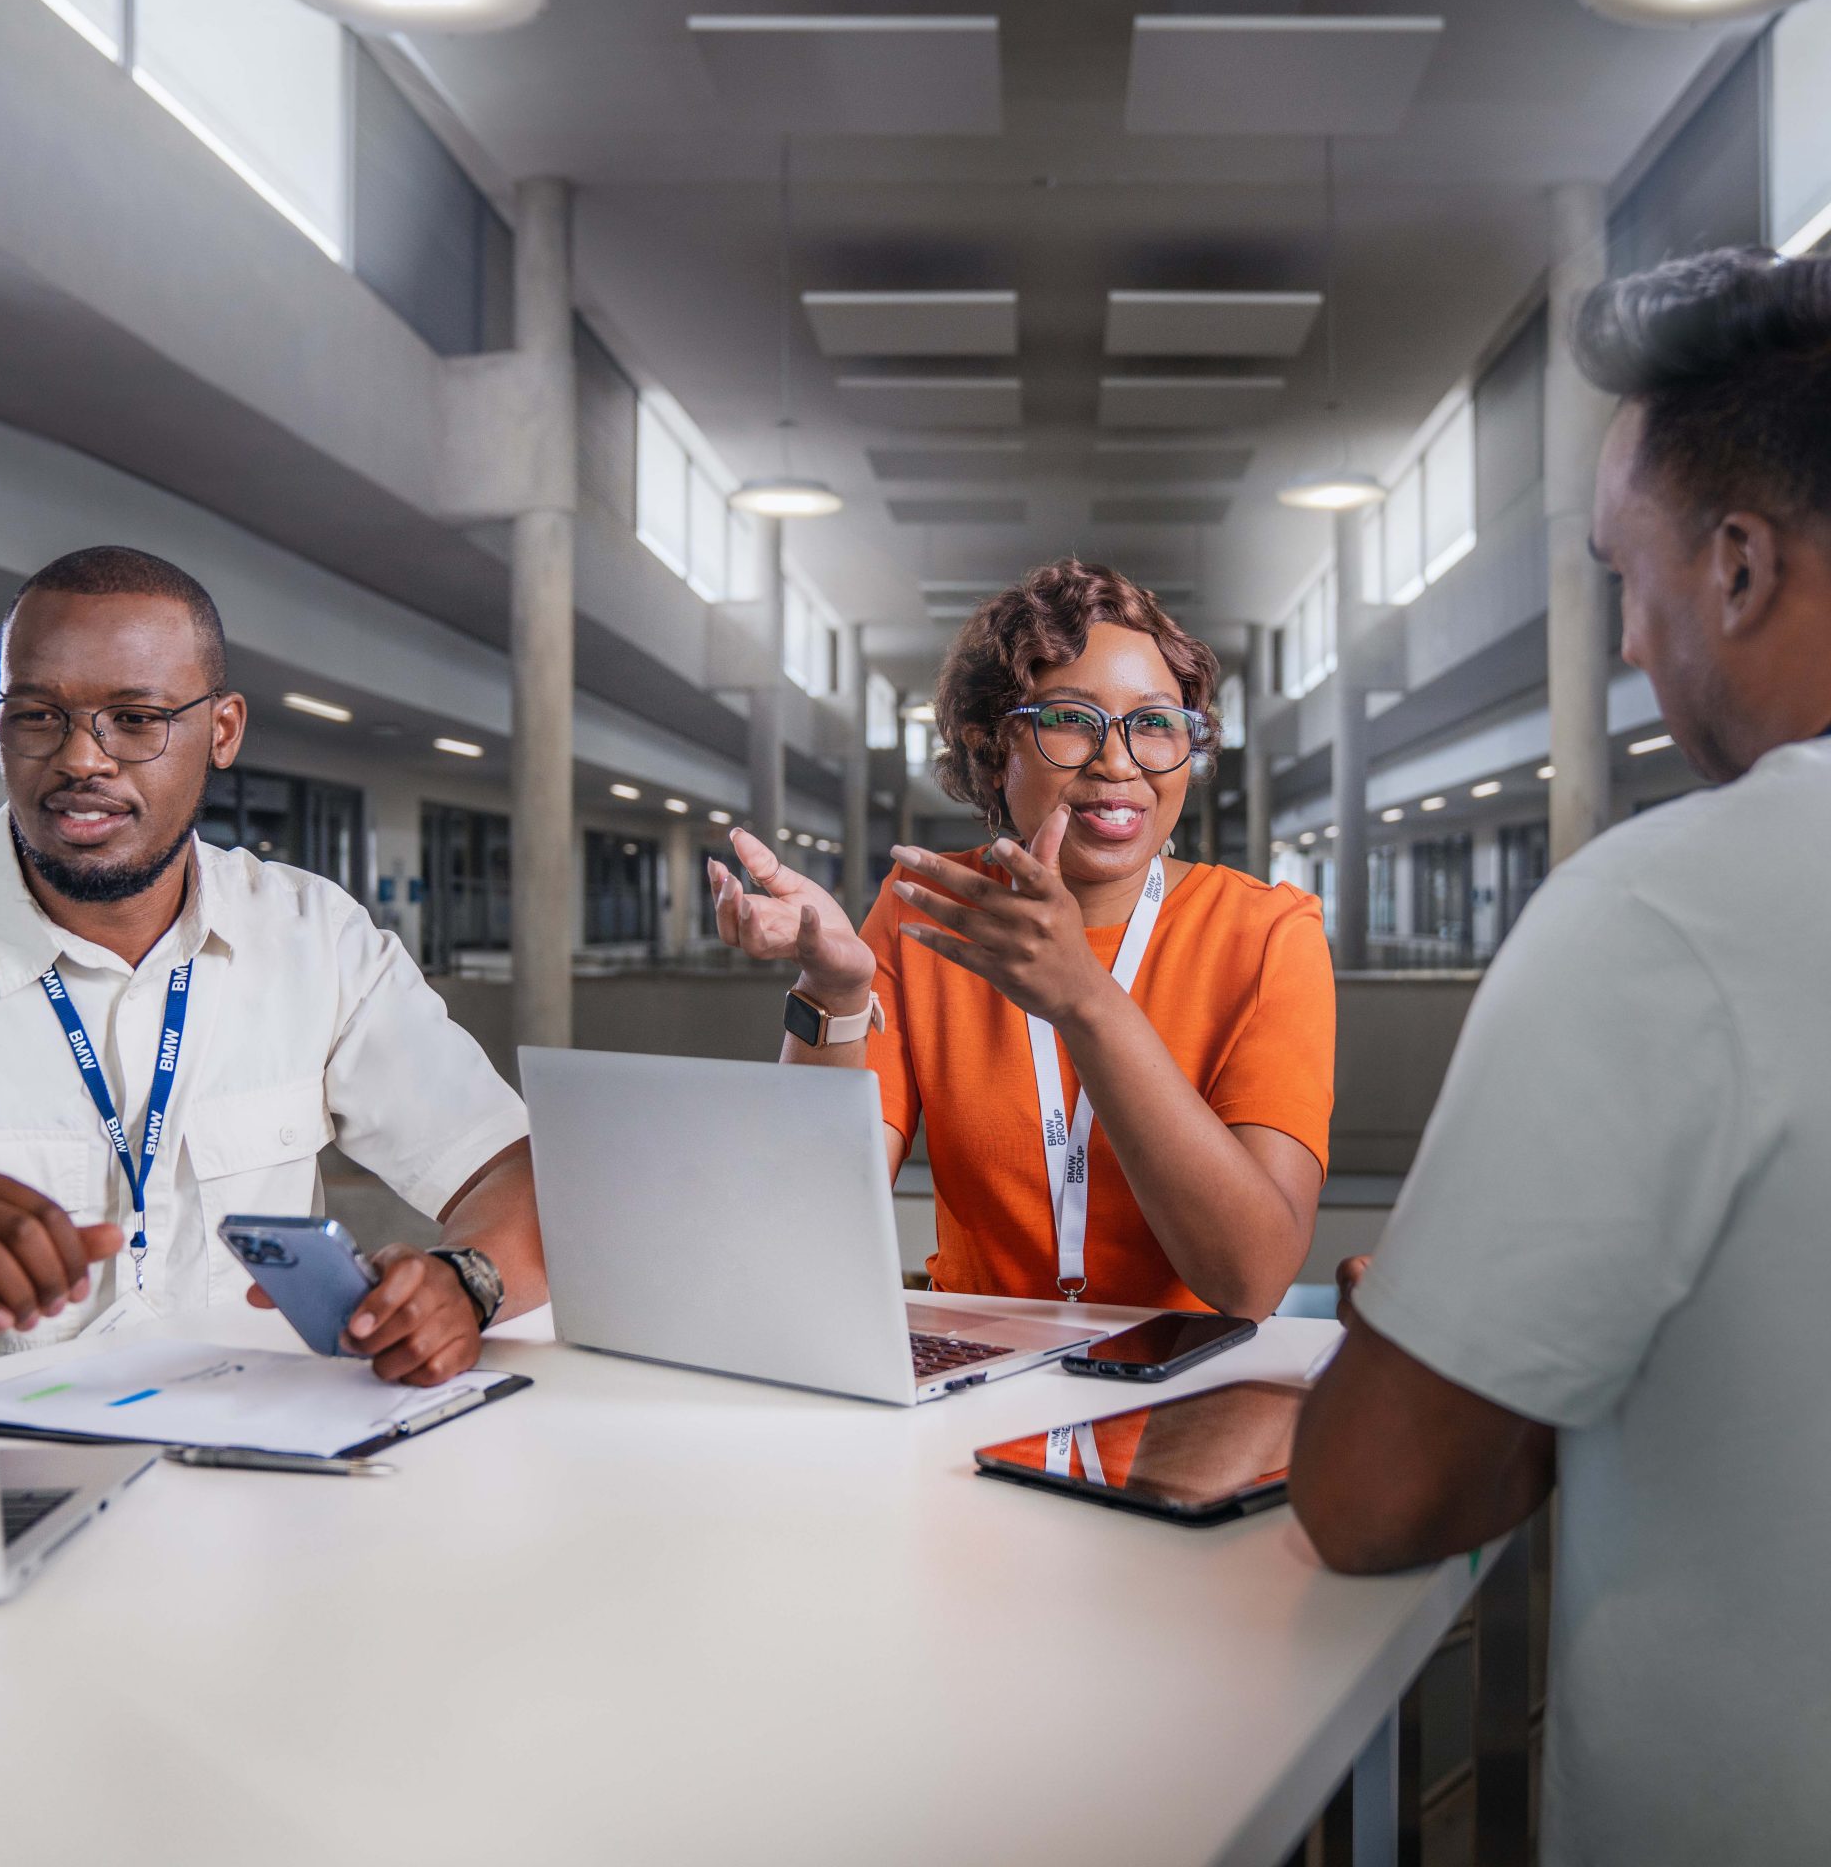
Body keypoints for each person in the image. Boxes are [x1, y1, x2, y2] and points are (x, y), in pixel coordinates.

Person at [1290, 248, 1831, 1865]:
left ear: (1735, 567)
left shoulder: (1671, 909)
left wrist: (1440, 1314)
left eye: (1624, 575)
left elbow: (1379, 1490)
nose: (1624, 645)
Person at [0, 546, 545, 1386]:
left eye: (135, 719)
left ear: (223, 732)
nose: (80, 759)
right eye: (35, 715)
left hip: (256, 1462)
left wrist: (465, 1283)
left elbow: (509, 1168)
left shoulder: (313, 937)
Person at [709, 559, 1334, 1317]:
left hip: (1185, 1400)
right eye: (1071, 719)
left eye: (1155, 723)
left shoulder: (1268, 933)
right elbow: (808, 1220)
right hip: (973, 1392)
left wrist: (1084, 999)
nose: (1117, 761)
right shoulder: (925, 912)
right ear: (991, 745)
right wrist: (836, 995)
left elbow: (1251, 1278)